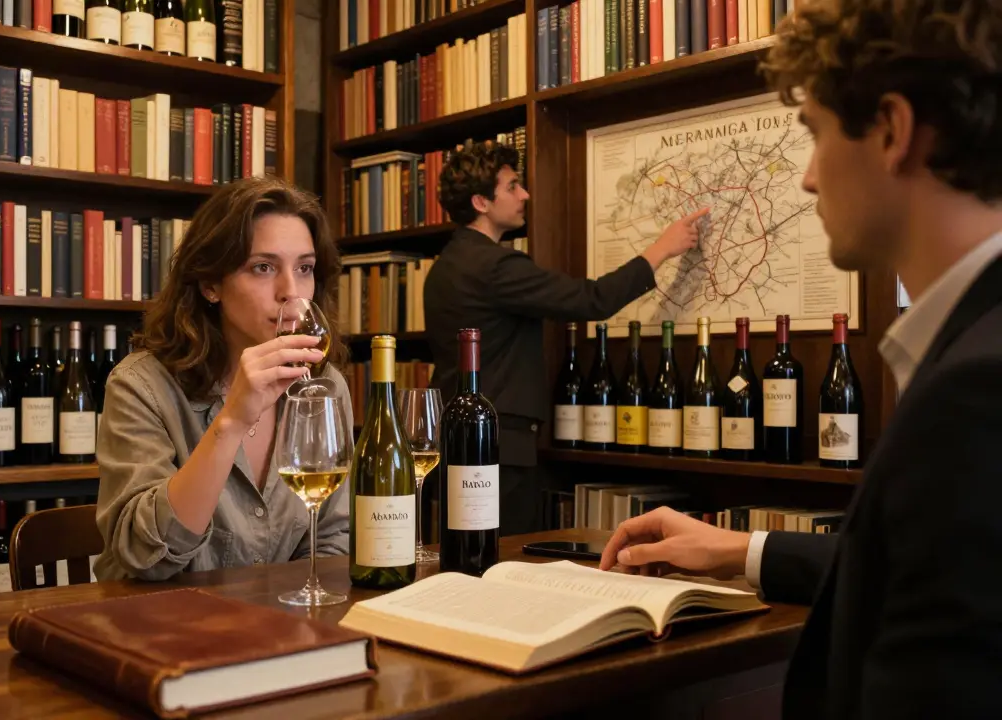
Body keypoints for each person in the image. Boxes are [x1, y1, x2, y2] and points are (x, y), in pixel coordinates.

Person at [599, 0, 1002, 716]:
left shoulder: (975, 393)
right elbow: (918, 570)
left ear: (891, 131)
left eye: (815, 134)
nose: (810, 178)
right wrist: (739, 552)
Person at [422, 141, 707, 535]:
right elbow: (593, 299)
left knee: (466, 556)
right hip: (501, 449)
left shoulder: (442, 269)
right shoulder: (496, 266)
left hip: (454, 440)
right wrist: (662, 248)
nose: (525, 195)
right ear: (480, 202)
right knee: (503, 564)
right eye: (512, 186)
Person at [93, 177, 352, 581]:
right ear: (210, 284)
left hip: (282, 630)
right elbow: (143, 556)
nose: (290, 291)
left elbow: (335, 537)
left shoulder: (324, 384)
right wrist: (230, 423)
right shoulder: (140, 386)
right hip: (162, 629)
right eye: (263, 267)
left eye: (304, 268)